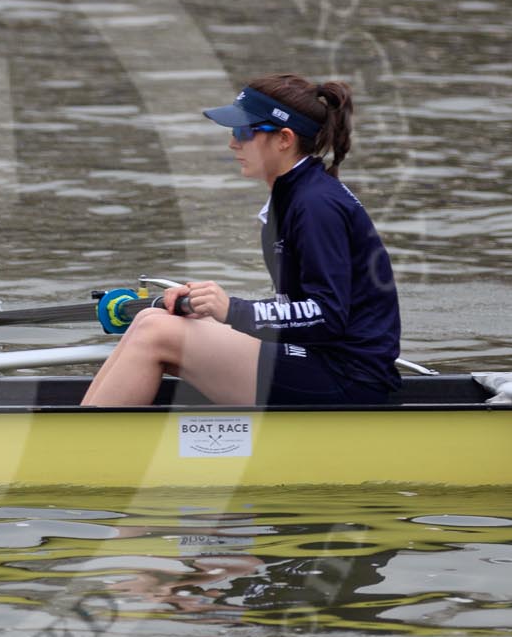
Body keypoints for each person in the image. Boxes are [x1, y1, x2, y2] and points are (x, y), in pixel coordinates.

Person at [81, 75, 401, 407]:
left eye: (244, 132)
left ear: (284, 139)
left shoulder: (315, 205)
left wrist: (233, 310)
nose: (233, 143)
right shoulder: (296, 194)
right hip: (317, 358)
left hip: (348, 378)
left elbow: (326, 315)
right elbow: (301, 308)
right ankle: (83, 435)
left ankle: (84, 449)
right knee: (153, 319)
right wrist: (206, 306)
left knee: (155, 335)